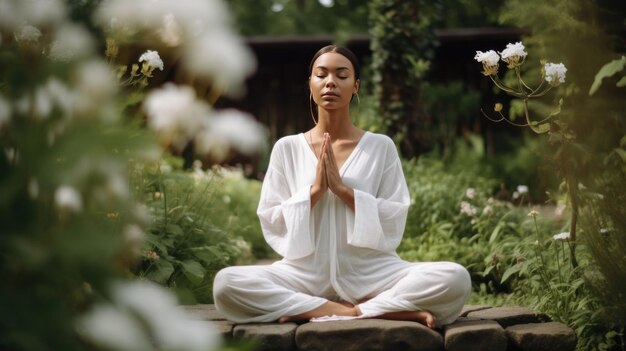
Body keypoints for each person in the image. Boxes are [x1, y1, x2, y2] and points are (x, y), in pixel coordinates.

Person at [213, 45, 471, 329]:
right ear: (310, 84)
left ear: (355, 86)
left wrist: (343, 191)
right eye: (321, 74)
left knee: (455, 277)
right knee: (226, 284)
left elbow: (394, 214)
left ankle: (324, 309)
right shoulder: (287, 148)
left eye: (342, 75)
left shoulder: (380, 147)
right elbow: (271, 216)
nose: (330, 82)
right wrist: (314, 193)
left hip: (372, 274)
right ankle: (357, 311)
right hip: (302, 275)